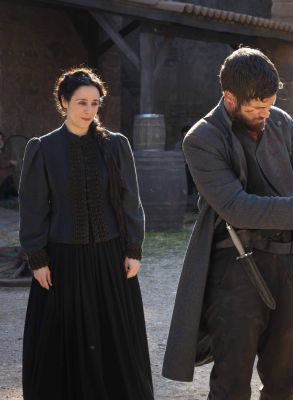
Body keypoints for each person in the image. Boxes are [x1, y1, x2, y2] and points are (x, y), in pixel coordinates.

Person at [162, 47, 293, 399]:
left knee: (284, 382)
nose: (265, 114)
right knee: (232, 385)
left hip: (286, 264)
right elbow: (236, 207)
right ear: (230, 98)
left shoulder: (280, 122)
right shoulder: (202, 139)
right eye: (256, 108)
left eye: (269, 105)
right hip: (234, 269)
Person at [19, 67, 153, 399]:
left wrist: (133, 249)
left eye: (95, 103)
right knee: (63, 339)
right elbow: (33, 207)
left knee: (114, 338)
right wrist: (37, 258)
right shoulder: (43, 148)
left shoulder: (116, 146)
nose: (89, 110)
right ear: (64, 102)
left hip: (110, 258)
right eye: (81, 102)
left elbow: (130, 201)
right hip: (62, 260)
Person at [0, 131, 18, 199]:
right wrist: (10, 162)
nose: (0, 142)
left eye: (1, 139)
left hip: (8, 179)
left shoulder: (4, 151)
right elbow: (2, 163)